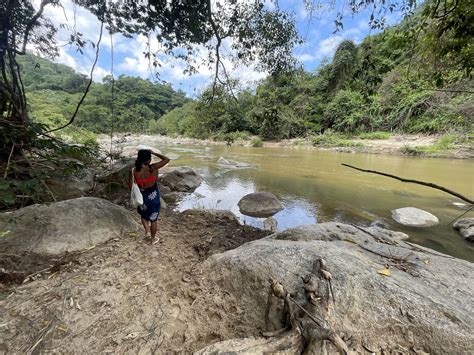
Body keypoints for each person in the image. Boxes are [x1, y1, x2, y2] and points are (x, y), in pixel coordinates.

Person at [129, 149, 170, 244]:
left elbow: (130, 186)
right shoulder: (154, 168)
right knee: (153, 219)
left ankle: (147, 230)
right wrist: (154, 152)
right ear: (149, 159)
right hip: (154, 196)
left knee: (143, 214)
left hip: (142, 197)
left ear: (139, 159)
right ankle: (153, 239)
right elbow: (167, 159)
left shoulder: (133, 171)